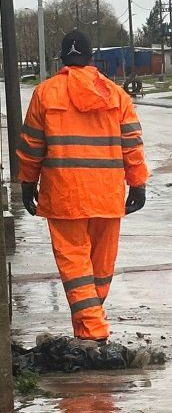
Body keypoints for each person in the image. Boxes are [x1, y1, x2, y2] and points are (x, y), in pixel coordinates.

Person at [17, 30, 148, 343]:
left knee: (75, 265)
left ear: (62, 58)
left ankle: (93, 331)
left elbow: (32, 146)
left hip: (65, 195)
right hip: (107, 196)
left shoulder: (45, 93)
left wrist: (27, 183)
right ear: (91, 58)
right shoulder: (115, 95)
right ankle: (89, 328)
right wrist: (138, 184)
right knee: (100, 268)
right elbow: (132, 143)